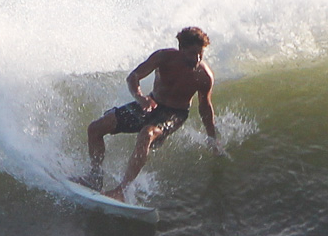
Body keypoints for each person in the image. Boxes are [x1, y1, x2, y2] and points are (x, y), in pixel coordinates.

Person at [80, 26, 222, 200]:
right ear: (181, 49)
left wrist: (212, 138)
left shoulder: (204, 76)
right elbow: (133, 77)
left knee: (146, 134)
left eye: (200, 54)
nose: (197, 59)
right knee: (95, 128)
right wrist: (140, 97)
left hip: (175, 113)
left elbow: (205, 107)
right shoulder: (164, 57)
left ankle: (122, 191)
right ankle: (94, 177)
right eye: (193, 53)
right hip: (151, 103)